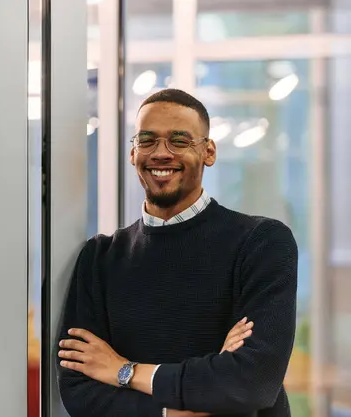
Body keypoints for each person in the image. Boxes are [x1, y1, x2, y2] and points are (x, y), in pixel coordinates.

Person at [56, 88, 297, 417]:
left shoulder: (261, 243)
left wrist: (123, 371)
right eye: (147, 140)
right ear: (133, 153)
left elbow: (250, 381)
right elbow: (79, 390)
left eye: (179, 141)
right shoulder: (99, 258)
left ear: (208, 152)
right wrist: (181, 411)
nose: (161, 153)